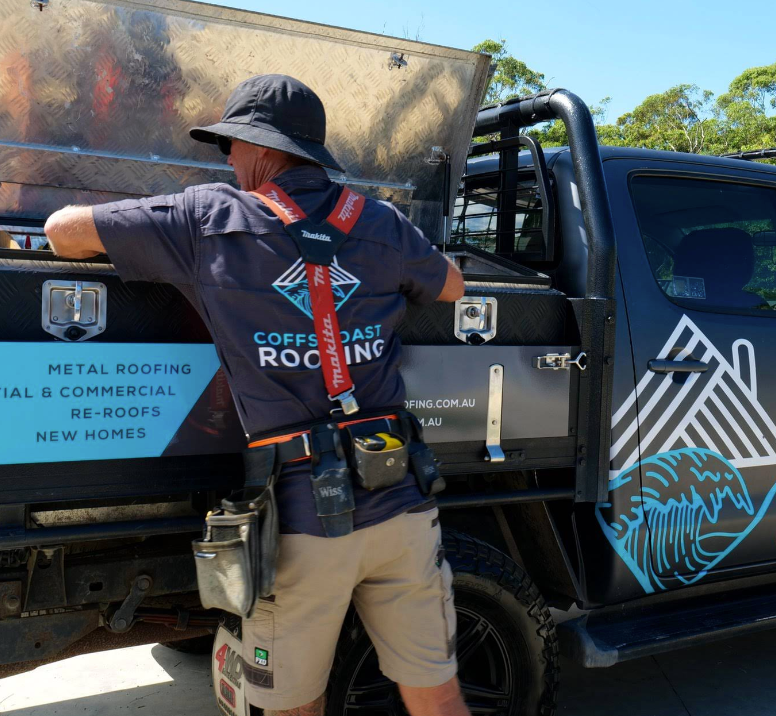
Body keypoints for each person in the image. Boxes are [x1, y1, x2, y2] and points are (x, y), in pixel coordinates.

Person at [43, 74, 469, 716]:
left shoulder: (206, 217)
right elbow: (454, 288)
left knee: (293, 706)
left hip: (303, 524)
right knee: (437, 698)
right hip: (401, 506)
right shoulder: (380, 222)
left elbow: (61, 230)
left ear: (261, 150)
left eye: (230, 148)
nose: (229, 162)